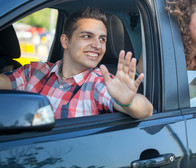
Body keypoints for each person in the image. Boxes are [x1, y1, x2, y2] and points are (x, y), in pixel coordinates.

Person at [0, 8, 153, 120]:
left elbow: (146, 110)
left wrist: (128, 102)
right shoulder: (35, 71)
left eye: (102, 39)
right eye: (87, 36)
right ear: (65, 41)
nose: (97, 45)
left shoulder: (99, 82)